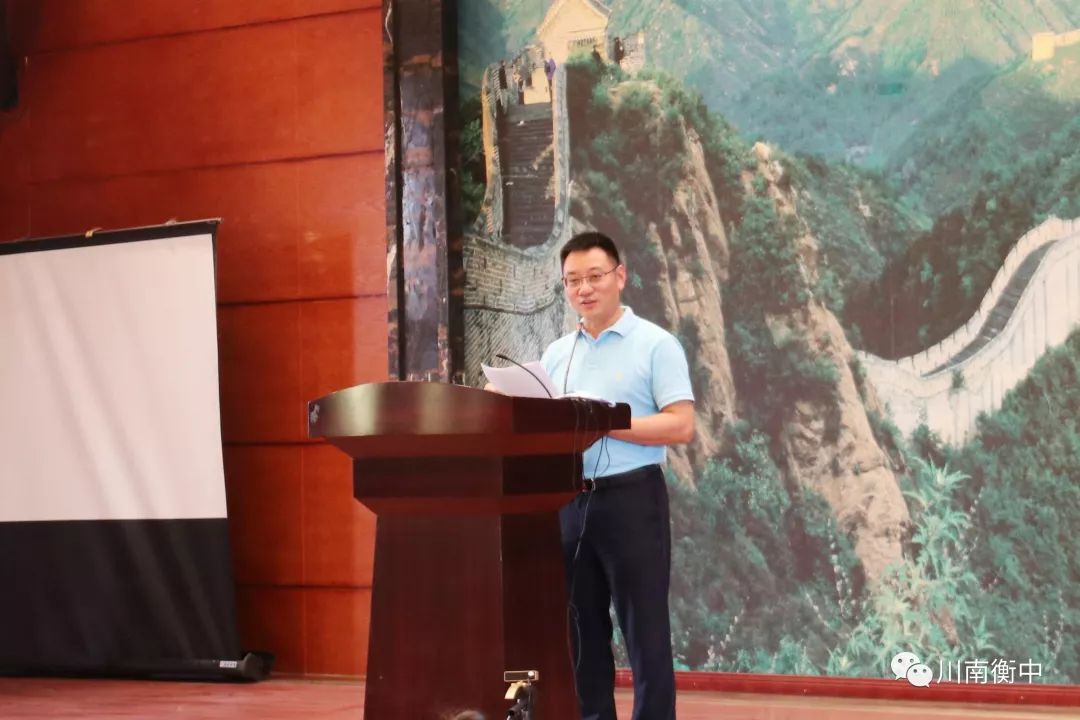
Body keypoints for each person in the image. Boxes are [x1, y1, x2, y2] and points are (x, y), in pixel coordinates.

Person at [540, 231, 694, 720]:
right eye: (572, 281)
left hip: (633, 499)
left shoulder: (656, 344)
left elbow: (681, 425)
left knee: (645, 630)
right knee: (581, 631)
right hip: (571, 500)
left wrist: (606, 423)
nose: (583, 289)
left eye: (594, 276)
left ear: (620, 276)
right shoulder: (556, 354)